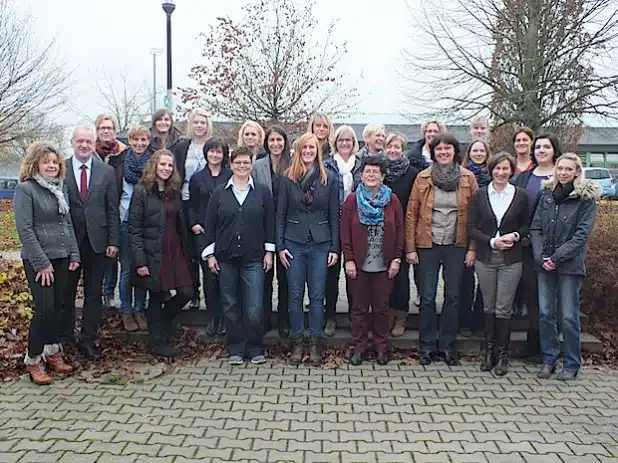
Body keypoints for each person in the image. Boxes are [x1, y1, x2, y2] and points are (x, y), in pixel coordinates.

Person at [405, 133, 478, 366]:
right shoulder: (423, 177)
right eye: (439, 149)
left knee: (453, 296)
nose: (443, 152)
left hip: (457, 244)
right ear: (433, 152)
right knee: (427, 297)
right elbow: (411, 214)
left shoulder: (468, 178)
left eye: (448, 148)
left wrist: (472, 248)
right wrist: (410, 248)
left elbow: (476, 217)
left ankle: (447, 345)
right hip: (428, 244)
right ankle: (426, 345)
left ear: (455, 152)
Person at [14, 142, 80, 385]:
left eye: (55, 162)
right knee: (45, 309)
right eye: (46, 162)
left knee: (60, 307)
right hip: (39, 260)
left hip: (63, 258)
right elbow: (25, 229)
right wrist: (41, 262)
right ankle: (33, 360)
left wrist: (74, 254)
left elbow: (68, 224)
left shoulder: (59, 190)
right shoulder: (26, 190)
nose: (51, 166)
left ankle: (52, 352)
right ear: (35, 165)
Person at [203, 147, 275, 365]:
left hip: (254, 257)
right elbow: (210, 225)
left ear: (251, 165)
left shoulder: (262, 191)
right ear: (231, 164)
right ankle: (235, 348)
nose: (242, 166)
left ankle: (254, 348)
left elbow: (269, 224)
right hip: (225, 258)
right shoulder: (219, 193)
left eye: (246, 163)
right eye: (238, 163)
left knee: (254, 308)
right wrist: (210, 255)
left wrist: (269, 252)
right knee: (231, 305)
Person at [531, 153, 598, 381]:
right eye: (560, 168)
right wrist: (541, 256)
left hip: (569, 265)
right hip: (545, 264)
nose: (563, 173)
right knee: (545, 313)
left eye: (568, 169)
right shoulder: (546, 194)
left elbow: (581, 235)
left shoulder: (585, 199)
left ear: (577, 172)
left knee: (569, 316)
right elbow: (536, 227)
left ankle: (571, 363)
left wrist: (557, 257)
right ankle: (549, 359)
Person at [277, 133, 339, 365]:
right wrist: (280, 246)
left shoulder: (329, 178)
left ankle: (315, 341)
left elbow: (334, 215)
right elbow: (280, 214)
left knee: (316, 295)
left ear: (318, 150)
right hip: (293, 243)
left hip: (321, 244)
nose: (308, 151)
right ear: (298, 150)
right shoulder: (287, 178)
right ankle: (297, 340)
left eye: (312, 147)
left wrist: (335, 247)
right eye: (305, 147)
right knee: (294, 294)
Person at [60, 126, 120, 360]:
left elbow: (112, 208)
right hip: (69, 243)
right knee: (67, 294)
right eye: (80, 141)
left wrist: (114, 240)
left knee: (94, 295)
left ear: (94, 143)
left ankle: (88, 340)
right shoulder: (61, 169)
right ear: (72, 142)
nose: (84, 145)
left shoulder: (106, 172)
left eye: (88, 141)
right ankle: (65, 338)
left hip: (98, 243)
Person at [468, 152, 529, 376]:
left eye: (505, 169)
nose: (501, 173)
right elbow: (472, 227)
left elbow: (526, 227)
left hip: (511, 259)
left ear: (511, 171)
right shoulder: (480, 195)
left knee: (504, 308)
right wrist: (492, 241)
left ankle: (503, 355)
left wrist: (513, 236)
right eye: (497, 169)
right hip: (486, 257)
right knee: (488, 306)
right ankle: (488, 352)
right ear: (490, 170)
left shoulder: (520, 196)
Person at [128, 150, 194, 357]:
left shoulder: (173, 190)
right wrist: (140, 261)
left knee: (187, 292)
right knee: (156, 295)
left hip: (175, 248)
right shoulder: (141, 191)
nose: (166, 169)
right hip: (152, 252)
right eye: (162, 164)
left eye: (169, 165)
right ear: (154, 165)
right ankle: (157, 342)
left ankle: (163, 322)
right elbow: (134, 228)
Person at [341, 156, 404, 365]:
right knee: (359, 308)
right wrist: (348, 259)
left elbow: (400, 231)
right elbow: (345, 233)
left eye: (376, 172)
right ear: (362, 175)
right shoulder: (352, 200)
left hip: (384, 265)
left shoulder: (392, 200)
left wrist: (396, 258)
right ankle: (359, 347)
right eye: (367, 171)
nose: (371, 175)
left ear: (383, 176)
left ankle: (381, 348)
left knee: (381, 308)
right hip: (358, 264)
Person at [513, 133, 561, 363]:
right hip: (528, 245)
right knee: (532, 296)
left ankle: (550, 346)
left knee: (552, 299)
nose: (541, 150)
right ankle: (532, 343)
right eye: (538, 147)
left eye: (546, 147)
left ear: (554, 150)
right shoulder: (525, 177)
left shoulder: (561, 175)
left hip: (555, 247)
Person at [189, 137, 232, 337]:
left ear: (224, 155)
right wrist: (194, 223)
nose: (215, 155)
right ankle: (213, 317)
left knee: (225, 276)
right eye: (211, 151)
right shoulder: (197, 177)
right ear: (206, 153)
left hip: (226, 232)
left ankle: (225, 317)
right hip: (204, 233)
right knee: (209, 276)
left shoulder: (230, 175)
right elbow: (192, 204)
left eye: (219, 152)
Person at [172, 108, 214, 310]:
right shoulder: (182, 147)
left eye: (203, 122)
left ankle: (211, 294)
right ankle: (193, 292)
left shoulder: (213, 146)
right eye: (196, 122)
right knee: (188, 249)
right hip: (184, 201)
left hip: (207, 202)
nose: (199, 126)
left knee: (205, 248)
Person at [323, 125, 362, 336]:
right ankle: (330, 316)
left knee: (354, 273)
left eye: (348, 140)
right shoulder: (327, 166)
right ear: (335, 143)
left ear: (354, 143)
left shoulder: (361, 166)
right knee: (331, 274)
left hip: (357, 225)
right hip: (332, 225)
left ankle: (354, 316)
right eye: (341, 140)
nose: (345, 143)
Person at [252, 126, 291, 337]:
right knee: (265, 276)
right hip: (263, 226)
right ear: (266, 143)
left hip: (287, 226)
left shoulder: (293, 164)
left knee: (285, 278)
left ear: (285, 142)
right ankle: (265, 318)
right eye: (272, 140)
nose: (276, 144)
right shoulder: (257, 166)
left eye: (279, 140)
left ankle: (284, 320)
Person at [114, 126, 153, 332]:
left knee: (143, 268)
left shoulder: (153, 162)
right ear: (129, 140)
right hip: (125, 221)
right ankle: (126, 311)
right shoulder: (119, 162)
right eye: (136, 139)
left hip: (146, 222)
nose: (140, 143)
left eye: (144, 140)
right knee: (128, 269)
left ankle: (140, 309)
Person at [383, 132, 418, 337]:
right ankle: (387, 313)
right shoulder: (380, 171)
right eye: (390, 147)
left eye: (397, 147)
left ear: (403, 149)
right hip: (381, 232)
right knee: (385, 275)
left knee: (402, 276)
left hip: (403, 230)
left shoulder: (412, 174)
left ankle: (401, 316)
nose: (393, 150)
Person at [458, 140, 492, 336]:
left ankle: (479, 320)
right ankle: (463, 321)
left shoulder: (494, 174)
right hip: (467, 231)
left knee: (485, 281)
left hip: (488, 233)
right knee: (466, 279)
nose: (478, 153)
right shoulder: (463, 176)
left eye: (482, 150)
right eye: (474, 150)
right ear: (468, 153)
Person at [94, 114, 126, 310]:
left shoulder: (123, 153)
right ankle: (103, 293)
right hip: (97, 207)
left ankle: (112, 292)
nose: (106, 131)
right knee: (101, 254)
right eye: (102, 128)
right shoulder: (91, 152)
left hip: (118, 206)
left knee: (115, 251)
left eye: (109, 128)